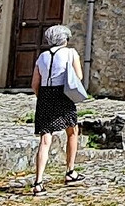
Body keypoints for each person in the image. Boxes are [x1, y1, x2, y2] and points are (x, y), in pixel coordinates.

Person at [30, 24, 85, 195]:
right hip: (63, 94)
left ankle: (38, 182)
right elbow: (79, 76)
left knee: (45, 139)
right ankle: (70, 170)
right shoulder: (71, 53)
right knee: (72, 131)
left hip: (46, 95)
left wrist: (42, 97)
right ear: (65, 39)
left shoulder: (42, 57)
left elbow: (34, 84)